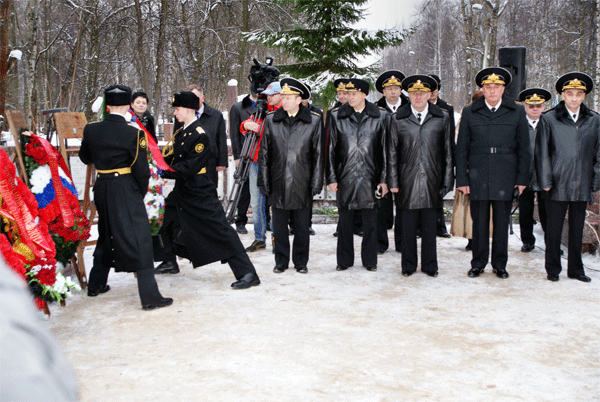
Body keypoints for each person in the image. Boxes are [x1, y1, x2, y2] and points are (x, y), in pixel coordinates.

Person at [79, 84, 173, 309]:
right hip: (125, 187)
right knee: (140, 239)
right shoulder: (135, 133)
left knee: (106, 233)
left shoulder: (91, 130)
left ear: (108, 106)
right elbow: (141, 170)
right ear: (129, 105)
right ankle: (150, 297)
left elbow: (84, 158)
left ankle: (96, 284)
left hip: (102, 187)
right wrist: (137, 193)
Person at [155, 91, 260, 289]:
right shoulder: (183, 130)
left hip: (200, 191)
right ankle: (169, 260)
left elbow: (188, 167)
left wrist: (161, 172)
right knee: (164, 219)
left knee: (221, 230)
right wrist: (156, 162)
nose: (175, 113)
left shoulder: (200, 135)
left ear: (187, 110)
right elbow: (174, 158)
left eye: (177, 109)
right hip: (183, 191)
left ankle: (247, 272)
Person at [456, 67, 530, 279]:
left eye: (496, 87)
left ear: (503, 89)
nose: (492, 91)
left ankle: (500, 264)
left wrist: (521, 179)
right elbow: (461, 148)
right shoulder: (471, 111)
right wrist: (462, 178)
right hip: (478, 173)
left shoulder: (516, 111)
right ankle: (478, 263)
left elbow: (524, 148)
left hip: (505, 173)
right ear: (483, 89)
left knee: (501, 222)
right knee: (478, 223)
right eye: (488, 87)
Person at [536, 72, 599, 283]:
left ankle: (576, 269)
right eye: (569, 94)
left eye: (578, 94)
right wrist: (545, 181)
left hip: (581, 182)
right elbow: (542, 153)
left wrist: (595, 183)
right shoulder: (549, 118)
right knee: (553, 230)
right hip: (557, 183)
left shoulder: (594, 120)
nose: (574, 98)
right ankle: (553, 269)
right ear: (562, 95)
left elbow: (598, 154)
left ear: (584, 96)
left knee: (577, 228)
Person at [388, 75, 454, 277]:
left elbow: (448, 152)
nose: (418, 97)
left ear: (429, 94)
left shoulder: (441, 117)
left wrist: (447, 181)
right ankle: (408, 265)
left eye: (422, 92)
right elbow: (391, 152)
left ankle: (430, 265)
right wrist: (393, 181)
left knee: (430, 227)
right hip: (406, 181)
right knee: (407, 227)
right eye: (414, 93)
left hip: (431, 180)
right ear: (408, 95)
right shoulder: (397, 119)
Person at [258, 78, 323, 274]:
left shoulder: (314, 121)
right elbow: (264, 154)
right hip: (277, 181)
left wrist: (316, 182)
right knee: (278, 227)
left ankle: (301, 262)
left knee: (302, 226)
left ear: (299, 99)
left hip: (301, 181)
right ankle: (281, 261)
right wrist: (264, 181)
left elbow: (319, 155)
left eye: (288, 97)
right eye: (283, 97)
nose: (284, 101)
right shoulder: (271, 120)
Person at [327, 78, 388, 272]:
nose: (349, 97)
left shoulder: (381, 116)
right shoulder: (337, 116)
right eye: (347, 93)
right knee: (345, 221)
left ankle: (370, 260)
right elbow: (330, 149)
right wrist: (331, 177)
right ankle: (344, 260)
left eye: (353, 94)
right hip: (346, 176)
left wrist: (384, 179)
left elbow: (386, 151)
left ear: (364, 95)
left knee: (370, 222)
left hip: (371, 177)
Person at [241, 81, 283, 252]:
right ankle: (259, 238)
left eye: (273, 94)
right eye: (268, 95)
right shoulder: (261, 110)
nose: (269, 98)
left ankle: (277, 237)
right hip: (256, 160)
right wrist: (245, 125)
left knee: (277, 203)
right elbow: (245, 126)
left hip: (276, 162)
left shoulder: (285, 113)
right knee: (256, 202)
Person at [375, 70, 406, 254]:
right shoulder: (375, 109)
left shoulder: (411, 107)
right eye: (389, 89)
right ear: (383, 91)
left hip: (403, 163)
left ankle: (402, 242)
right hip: (381, 162)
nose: (393, 92)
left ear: (401, 90)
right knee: (381, 205)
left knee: (402, 205)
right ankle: (380, 243)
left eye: (396, 88)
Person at [172, 85, 228, 188]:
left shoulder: (215, 115)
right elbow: (177, 136)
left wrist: (221, 161)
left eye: (195, 97)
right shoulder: (181, 115)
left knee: (208, 189)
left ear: (203, 98)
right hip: (188, 160)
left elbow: (221, 138)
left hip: (209, 161)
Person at [517, 87, 551, 252]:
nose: (535, 108)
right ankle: (527, 241)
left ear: (544, 106)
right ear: (525, 106)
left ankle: (551, 242)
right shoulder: (518, 124)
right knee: (525, 212)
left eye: (539, 105)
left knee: (547, 213)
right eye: (531, 106)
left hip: (545, 177)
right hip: (525, 176)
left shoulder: (550, 124)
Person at [428, 74, 455, 238]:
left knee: (438, 194)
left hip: (439, 156)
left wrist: (450, 159)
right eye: (429, 90)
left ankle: (440, 226)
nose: (431, 93)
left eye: (434, 89)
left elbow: (449, 135)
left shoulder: (446, 109)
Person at [229, 87, 257, 235]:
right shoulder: (238, 108)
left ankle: (266, 221)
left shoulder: (268, 106)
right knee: (243, 191)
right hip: (245, 155)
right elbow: (234, 134)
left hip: (261, 155)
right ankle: (240, 221)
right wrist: (237, 157)